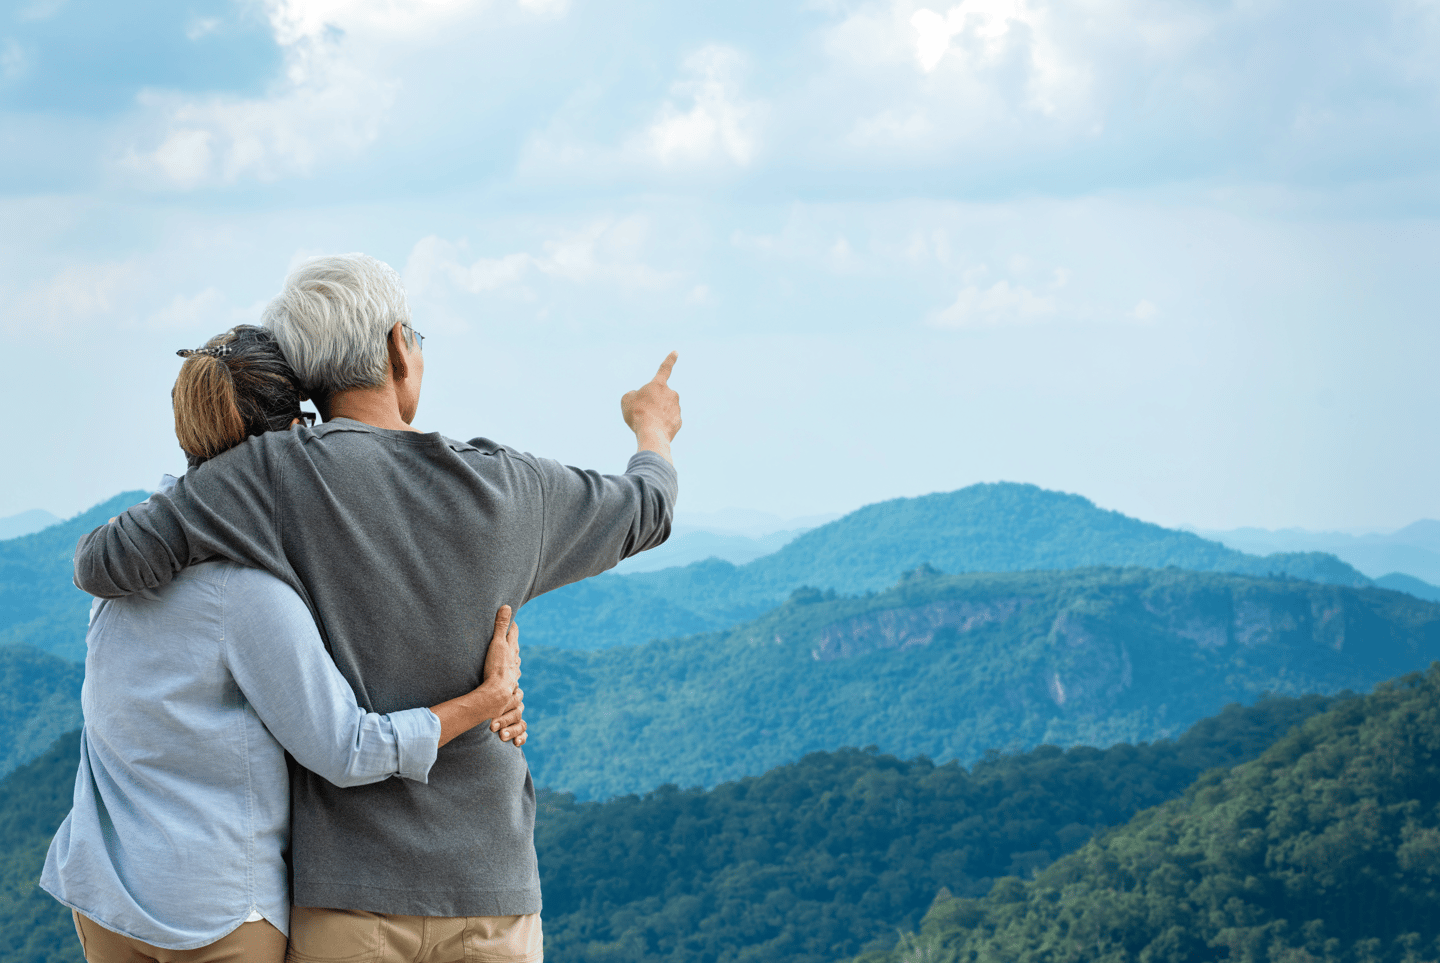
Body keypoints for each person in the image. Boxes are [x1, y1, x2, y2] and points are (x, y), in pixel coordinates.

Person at [73, 253, 683, 963]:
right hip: (492, 889)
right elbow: (649, 510)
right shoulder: (515, 489)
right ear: (400, 345)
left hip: (345, 899)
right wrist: (652, 429)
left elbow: (104, 562)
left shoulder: (267, 476)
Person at [44, 325, 530, 963]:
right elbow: (348, 748)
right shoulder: (246, 592)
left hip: (104, 892)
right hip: (216, 913)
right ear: (295, 435)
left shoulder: (129, 557)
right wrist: (485, 699)